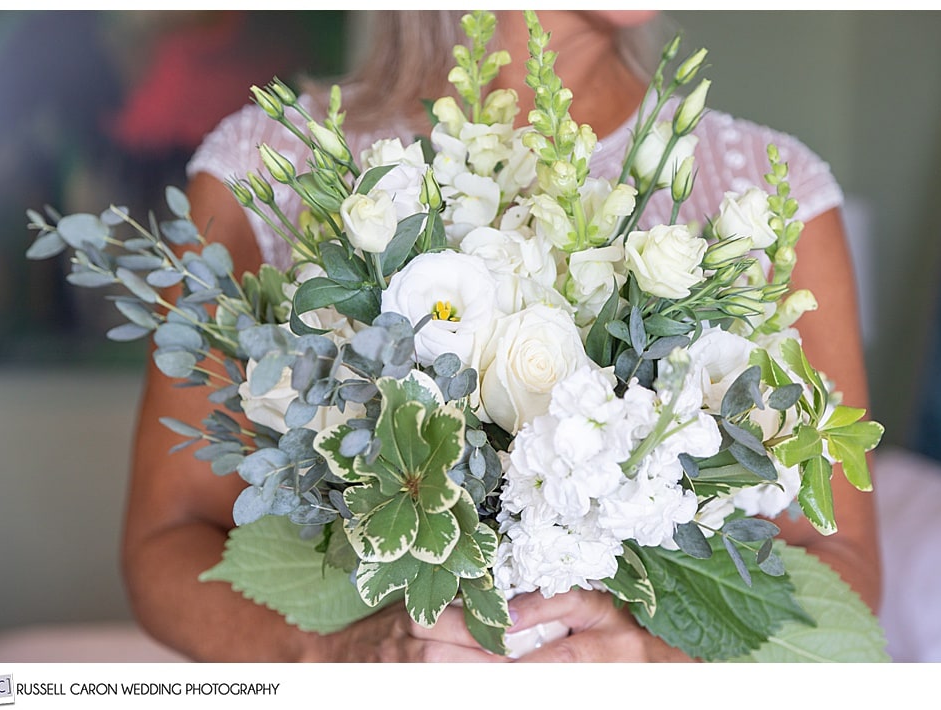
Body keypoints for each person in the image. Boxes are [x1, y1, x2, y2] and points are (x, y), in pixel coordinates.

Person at [122, 10, 881, 662]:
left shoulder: (771, 195)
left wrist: (661, 656)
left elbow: (840, 560)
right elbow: (166, 538)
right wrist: (335, 657)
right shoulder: (274, 165)